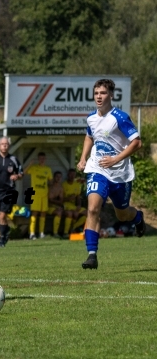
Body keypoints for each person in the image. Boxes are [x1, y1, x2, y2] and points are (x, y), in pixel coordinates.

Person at [77, 79, 146, 270]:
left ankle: (138, 218)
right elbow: (89, 135)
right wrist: (83, 158)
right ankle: (92, 255)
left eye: (103, 93)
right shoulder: (91, 117)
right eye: (96, 93)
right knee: (92, 209)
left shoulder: (119, 117)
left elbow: (137, 143)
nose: (99, 96)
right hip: (97, 169)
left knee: (123, 214)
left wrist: (116, 159)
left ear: (111, 95)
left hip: (120, 174)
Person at [24, 152, 53, 239]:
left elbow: (50, 182)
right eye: (40, 158)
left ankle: (41, 233)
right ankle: (32, 233)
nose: (42, 160)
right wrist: (30, 164)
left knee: (43, 213)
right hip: (35, 194)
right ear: (38, 159)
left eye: (43, 158)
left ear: (45, 159)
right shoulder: (34, 168)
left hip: (44, 194)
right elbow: (24, 172)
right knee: (35, 212)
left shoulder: (47, 169)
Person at [62, 168, 87, 235]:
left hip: (74, 206)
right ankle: (66, 233)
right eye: (70, 174)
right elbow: (61, 199)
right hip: (66, 205)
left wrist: (79, 205)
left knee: (87, 213)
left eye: (73, 175)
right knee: (73, 213)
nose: (72, 176)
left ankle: (74, 227)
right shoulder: (64, 185)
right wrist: (69, 198)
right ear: (68, 175)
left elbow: (78, 197)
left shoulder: (77, 185)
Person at [47, 171, 64, 238]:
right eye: (57, 177)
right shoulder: (49, 187)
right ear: (54, 178)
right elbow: (49, 199)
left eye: (60, 177)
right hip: (47, 207)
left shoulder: (60, 188)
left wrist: (58, 204)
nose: (58, 178)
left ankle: (66, 232)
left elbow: (61, 200)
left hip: (55, 207)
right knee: (59, 212)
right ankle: (55, 233)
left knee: (62, 211)